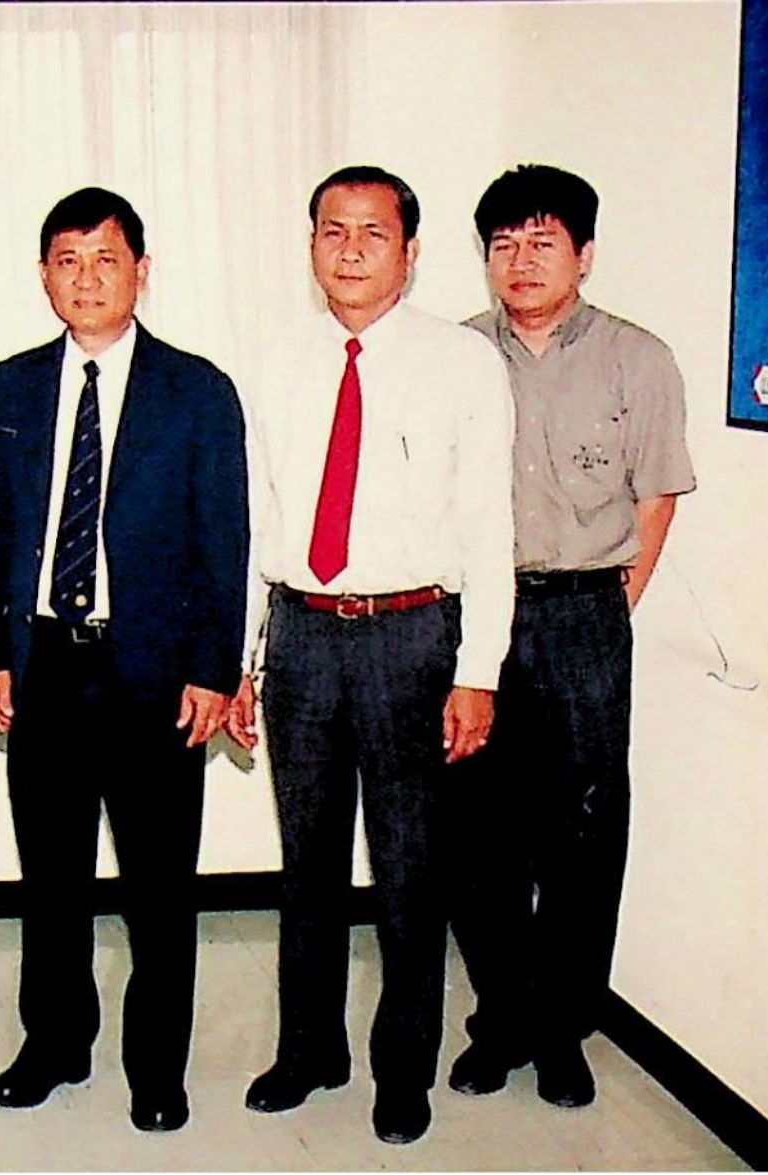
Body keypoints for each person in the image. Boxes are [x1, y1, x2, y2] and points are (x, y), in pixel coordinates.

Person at [223, 166, 515, 1144]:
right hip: (302, 632)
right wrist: (243, 659)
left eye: (373, 233)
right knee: (306, 863)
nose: (350, 249)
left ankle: (403, 1071)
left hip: (412, 636)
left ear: (410, 251)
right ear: (311, 244)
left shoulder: (461, 363)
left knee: (408, 870)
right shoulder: (277, 361)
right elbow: (257, 520)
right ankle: (309, 1049)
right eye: (332, 230)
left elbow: (489, 523)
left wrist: (477, 670)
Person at [0, 187, 249, 1133]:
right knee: (50, 878)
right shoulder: (8, 388)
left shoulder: (196, 390)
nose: (86, 278)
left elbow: (223, 538)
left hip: (155, 674)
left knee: (158, 887)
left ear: (140, 270)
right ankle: (53, 1042)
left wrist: (214, 669)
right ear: (44, 275)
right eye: (67, 260)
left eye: (105, 259)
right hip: (44, 662)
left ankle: (156, 1068)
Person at [443, 164, 695, 1109]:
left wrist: (606, 610)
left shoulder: (638, 358)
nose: (520, 260)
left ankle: (561, 1032)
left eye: (541, 241)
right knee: (479, 834)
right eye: (503, 244)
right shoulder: (457, 354)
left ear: (583, 255)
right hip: (476, 618)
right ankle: (500, 1022)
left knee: (581, 837)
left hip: (585, 614)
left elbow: (656, 498)